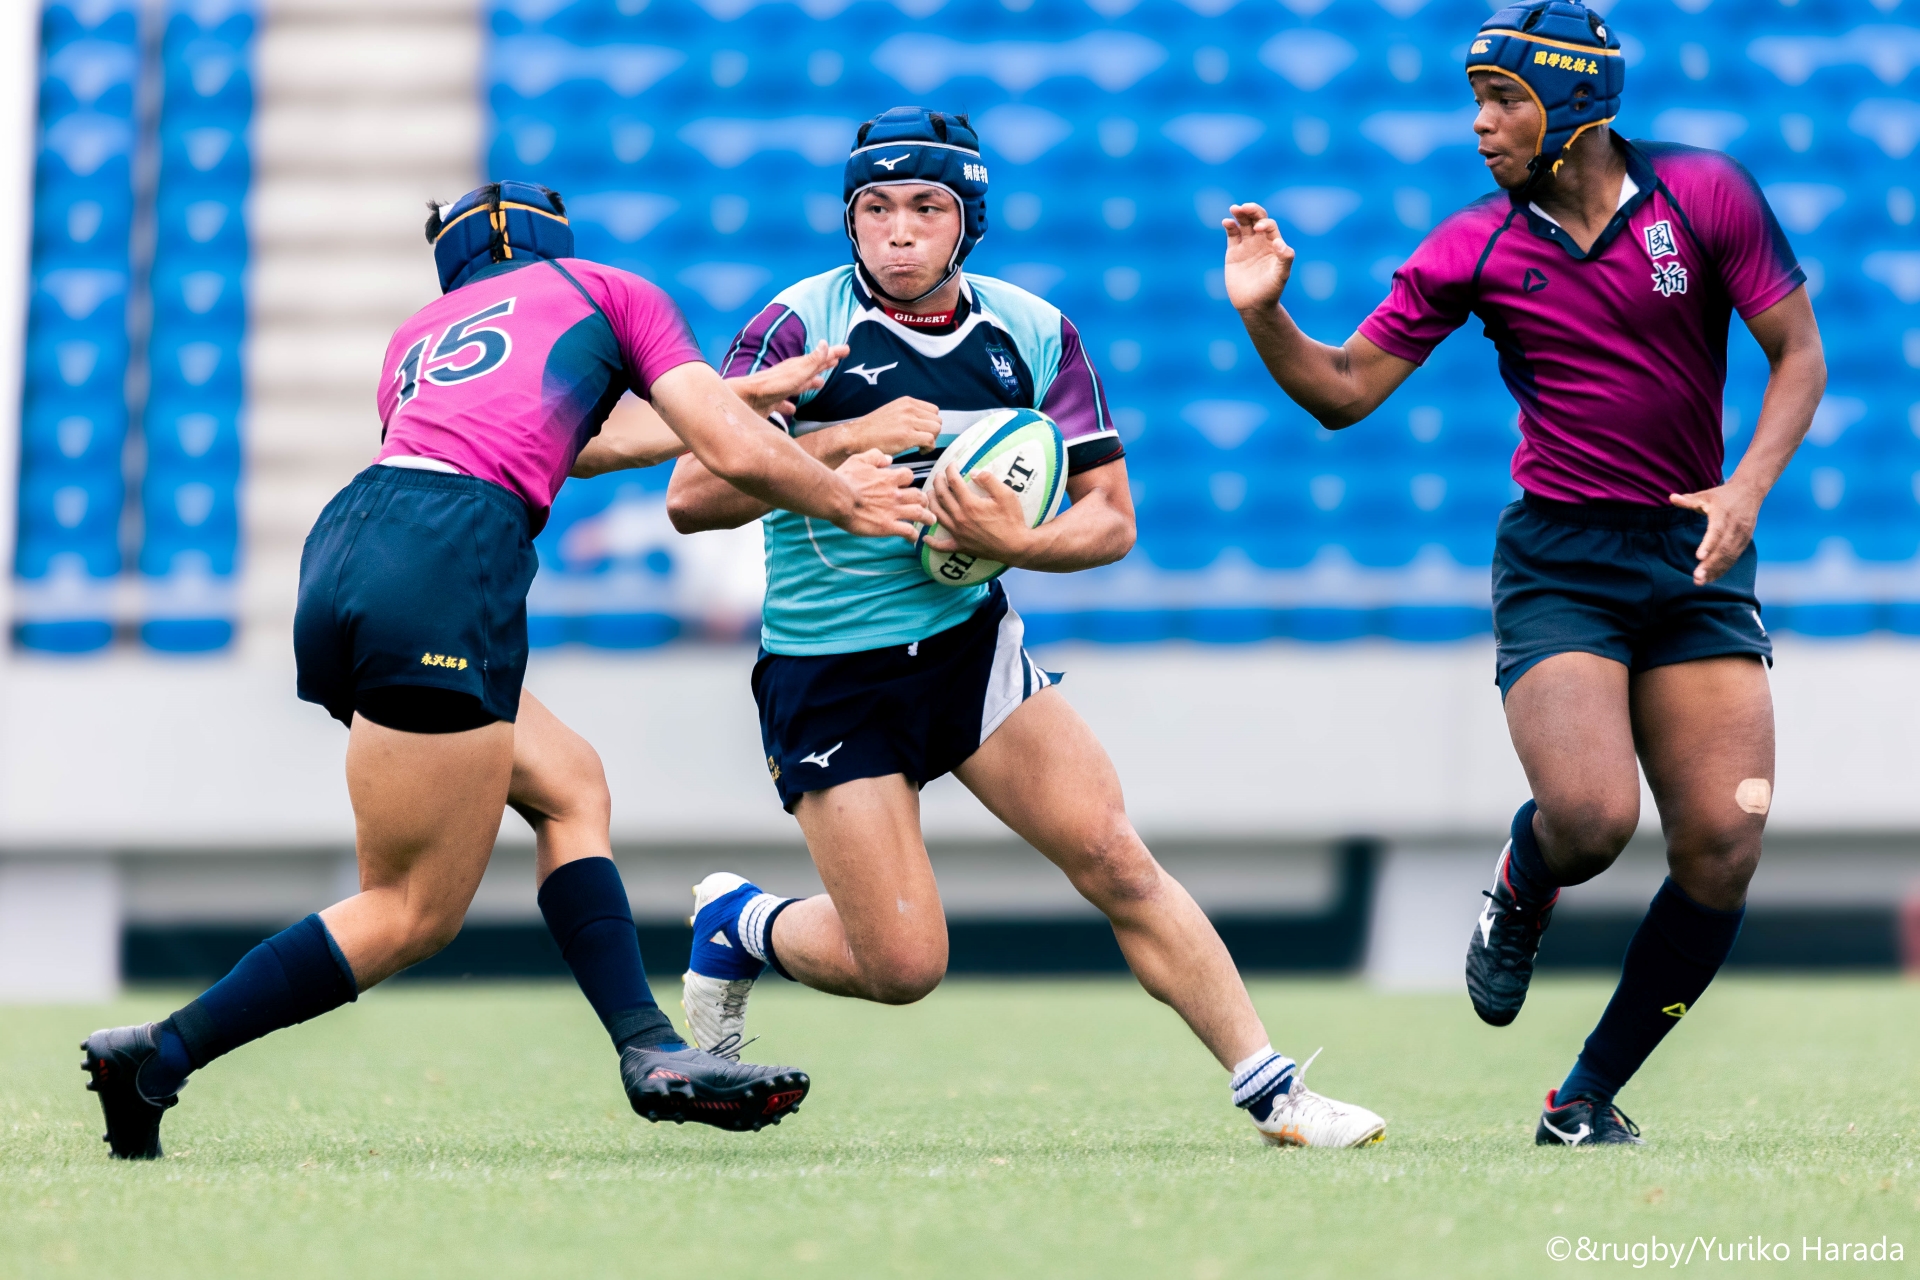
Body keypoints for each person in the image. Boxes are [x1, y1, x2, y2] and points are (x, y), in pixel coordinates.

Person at [81, 181, 930, 1159]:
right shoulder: (609, 289)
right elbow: (721, 449)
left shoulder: (421, 334)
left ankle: (649, 1048)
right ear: (554, 234)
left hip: (350, 550)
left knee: (569, 783)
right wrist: (841, 493)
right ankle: (158, 1055)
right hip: (453, 556)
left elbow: (582, 445)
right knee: (407, 910)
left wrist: (744, 393)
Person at [666, 107, 1387, 1149]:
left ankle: (1275, 1092)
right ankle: (742, 921)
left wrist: (1017, 541)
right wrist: (844, 441)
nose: (899, 230)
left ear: (968, 223)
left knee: (1117, 858)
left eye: (927, 207)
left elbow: (1110, 519)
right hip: (832, 673)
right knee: (902, 966)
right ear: (849, 219)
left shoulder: (1032, 330)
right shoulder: (794, 328)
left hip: (969, 643)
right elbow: (692, 494)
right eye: (876, 207)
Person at [1224, 2, 1825, 1145]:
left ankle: (1583, 1095)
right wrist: (1269, 320)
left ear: (1577, 99)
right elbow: (1345, 390)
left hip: (1692, 547)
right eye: (1477, 100)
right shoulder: (1473, 244)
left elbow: (1798, 353)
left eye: (1503, 99)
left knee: (1724, 840)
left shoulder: (1706, 194)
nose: (1481, 124)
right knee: (1593, 819)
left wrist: (1747, 488)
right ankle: (1524, 875)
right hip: (1561, 560)